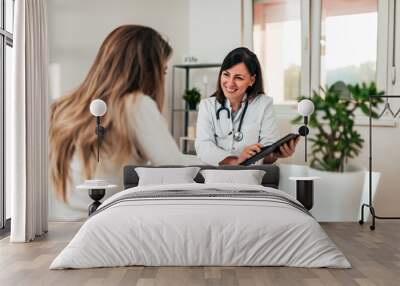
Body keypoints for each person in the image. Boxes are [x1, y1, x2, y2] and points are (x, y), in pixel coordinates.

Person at [49, 25, 200, 220]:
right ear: (147, 70)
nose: (163, 78)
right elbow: (174, 167)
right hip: (108, 223)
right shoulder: (135, 104)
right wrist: (218, 164)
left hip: (64, 223)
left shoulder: (67, 105)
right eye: (162, 71)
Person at [195, 47, 299, 166]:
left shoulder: (264, 104)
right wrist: (235, 161)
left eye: (238, 77)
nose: (230, 83)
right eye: (226, 75)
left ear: (252, 80)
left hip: (251, 176)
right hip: (215, 176)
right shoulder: (207, 106)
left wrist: (274, 154)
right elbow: (203, 146)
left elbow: (269, 146)